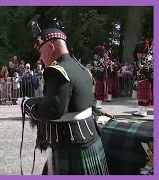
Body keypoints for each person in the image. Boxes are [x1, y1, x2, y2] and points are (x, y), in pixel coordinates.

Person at [18, 16, 108, 175]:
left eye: (41, 52)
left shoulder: (56, 71)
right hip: (91, 140)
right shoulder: (81, 68)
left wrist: (26, 105)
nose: (40, 58)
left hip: (70, 146)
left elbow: (54, 110)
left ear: (51, 48)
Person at [132, 40, 153, 117]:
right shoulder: (137, 62)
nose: (138, 55)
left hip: (145, 80)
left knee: (145, 97)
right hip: (139, 80)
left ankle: (144, 111)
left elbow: (150, 70)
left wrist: (145, 67)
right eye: (137, 53)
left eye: (139, 54)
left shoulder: (148, 61)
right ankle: (140, 110)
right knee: (140, 97)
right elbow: (135, 71)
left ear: (144, 54)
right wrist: (134, 79)